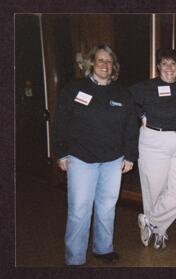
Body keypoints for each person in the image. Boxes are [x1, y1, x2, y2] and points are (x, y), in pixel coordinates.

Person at [52, 44, 139, 266]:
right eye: (100, 60)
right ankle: (75, 258)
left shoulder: (122, 93)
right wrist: (61, 153)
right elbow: (60, 122)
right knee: (79, 210)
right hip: (81, 159)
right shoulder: (74, 89)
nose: (105, 65)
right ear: (91, 63)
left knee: (107, 206)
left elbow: (131, 126)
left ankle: (103, 248)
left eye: (109, 62)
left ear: (114, 66)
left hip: (113, 160)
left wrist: (130, 156)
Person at [129, 49, 176, 250]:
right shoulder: (147, 86)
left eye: (174, 64)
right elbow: (127, 98)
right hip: (154, 140)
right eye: (165, 63)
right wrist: (141, 115)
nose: (169, 68)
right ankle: (159, 231)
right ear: (159, 66)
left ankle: (151, 221)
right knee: (155, 190)